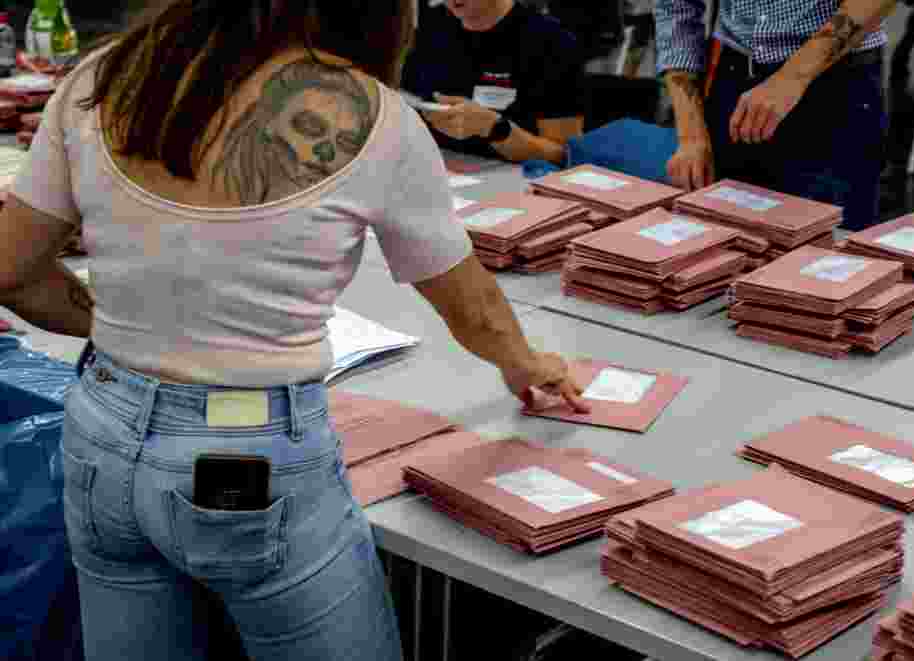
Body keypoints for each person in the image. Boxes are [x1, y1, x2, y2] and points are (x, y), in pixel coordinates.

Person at [0, 1, 589, 659]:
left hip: (101, 436)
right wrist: (526, 364)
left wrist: (117, 332)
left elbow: (12, 270)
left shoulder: (104, 76)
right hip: (243, 460)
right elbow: (471, 304)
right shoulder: (372, 114)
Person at [656, 0, 898, 231]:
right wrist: (691, 133)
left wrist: (791, 78)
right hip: (733, 81)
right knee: (718, 242)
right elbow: (675, 6)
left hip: (835, 84)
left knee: (825, 257)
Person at [402, 0, 585, 164]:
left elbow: (563, 156)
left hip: (516, 183)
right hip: (442, 173)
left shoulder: (552, 43)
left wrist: (494, 129)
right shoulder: (429, 32)